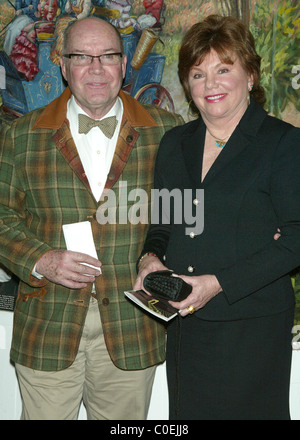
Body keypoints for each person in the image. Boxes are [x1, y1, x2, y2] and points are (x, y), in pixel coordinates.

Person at [0, 16, 183, 420]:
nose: (96, 68)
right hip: (48, 322)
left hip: (133, 323)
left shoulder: (168, 131)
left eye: (108, 56)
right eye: (82, 56)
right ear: (63, 66)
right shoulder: (21, 134)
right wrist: (40, 259)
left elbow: (184, 212)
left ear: (124, 64)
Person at [134, 14, 300, 420]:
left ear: (251, 75)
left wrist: (217, 283)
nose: (210, 84)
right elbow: (164, 221)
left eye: (223, 69)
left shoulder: (283, 143)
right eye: (197, 73)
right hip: (187, 329)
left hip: (252, 328)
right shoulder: (176, 144)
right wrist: (149, 259)